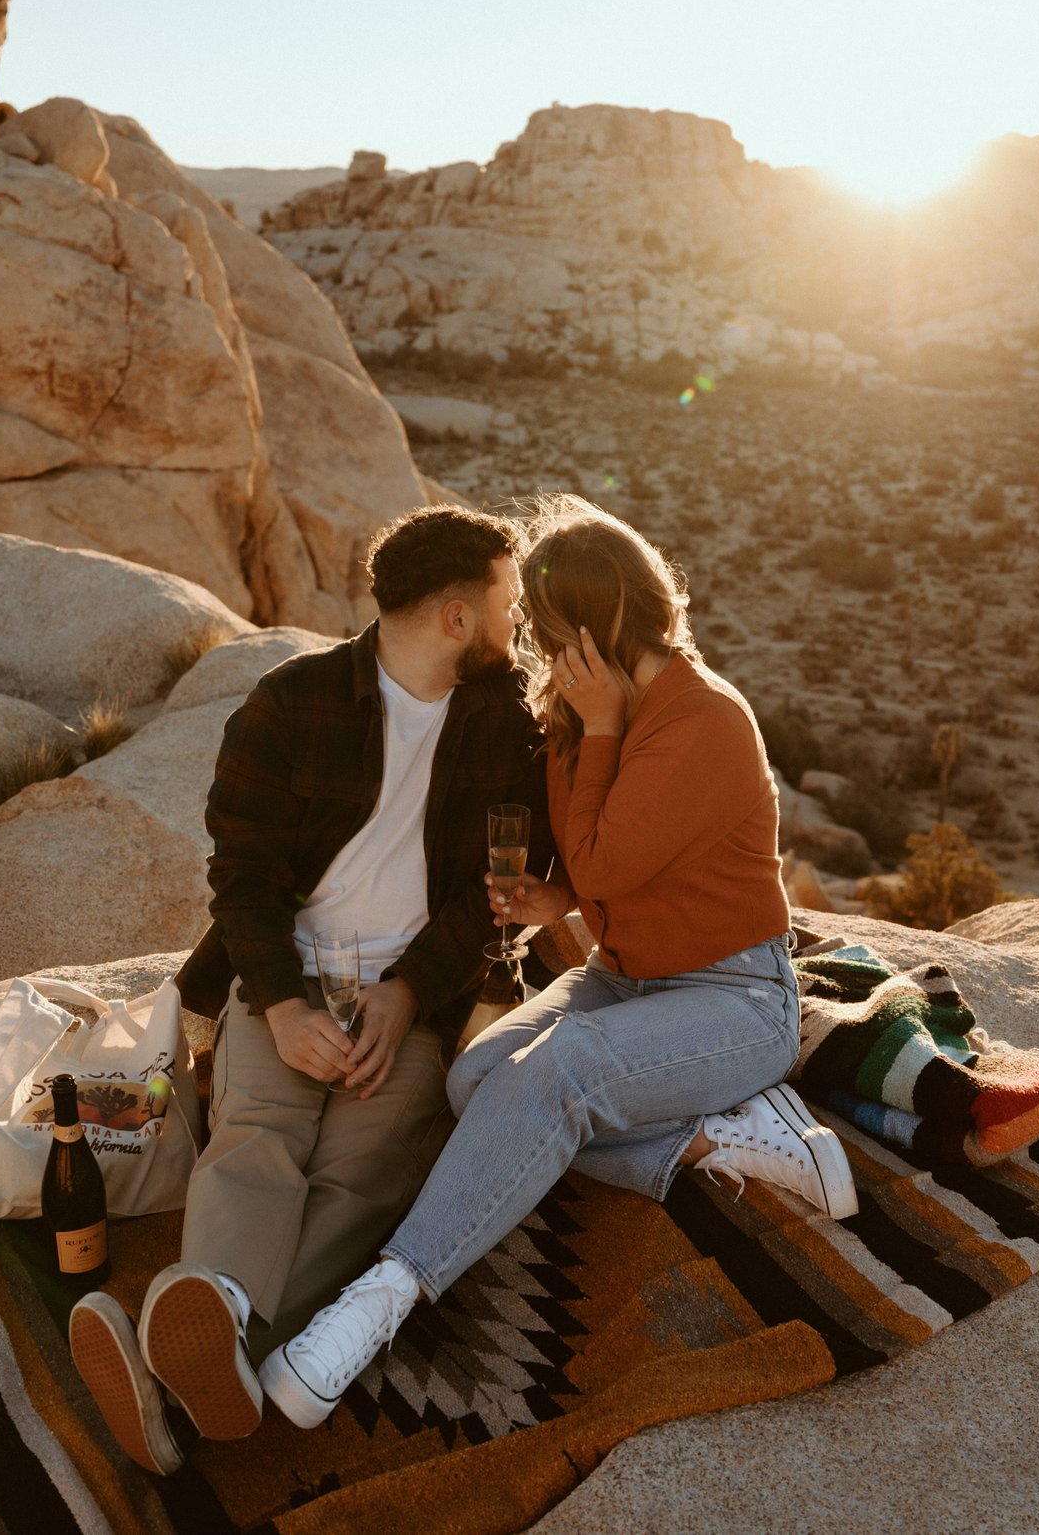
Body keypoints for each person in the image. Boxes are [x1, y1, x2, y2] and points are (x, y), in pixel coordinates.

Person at [255, 494, 859, 1429]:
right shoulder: (585, 714)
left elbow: (616, 854)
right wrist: (557, 900)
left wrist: (605, 732)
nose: (537, 649)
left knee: (559, 1075)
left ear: (600, 618)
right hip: (624, 979)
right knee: (475, 1081)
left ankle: (375, 1306)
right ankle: (725, 1139)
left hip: (733, 997)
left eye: (546, 628)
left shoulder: (703, 719)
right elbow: (598, 861)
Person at [67, 505, 546, 1476]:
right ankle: (217, 1351)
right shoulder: (291, 704)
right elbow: (242, 874)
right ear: (456, 614)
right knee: (255, 1144)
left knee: (365, 1178)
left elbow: (491, 891)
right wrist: (282, 1004)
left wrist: (408, 993)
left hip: (410, 996)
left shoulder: (507, 725)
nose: (517, 621)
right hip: (284, 976)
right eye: (507, 600)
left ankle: (186, 1371)